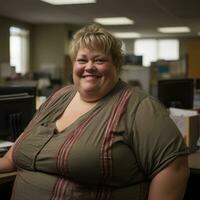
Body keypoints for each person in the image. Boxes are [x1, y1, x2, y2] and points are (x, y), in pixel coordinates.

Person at [0, 23, 189, 200]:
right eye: (82, 60)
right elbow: (13, 155)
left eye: (99, 60)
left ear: (116, 65)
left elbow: (174, 169)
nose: (89, 67)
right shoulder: (58, 97)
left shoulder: (140, 106)